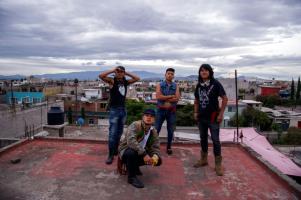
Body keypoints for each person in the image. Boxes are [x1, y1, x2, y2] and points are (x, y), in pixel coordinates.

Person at [99, 66, 140, 165]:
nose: (120, 73)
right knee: (112, 134)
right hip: (114, 110)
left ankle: (115, 149)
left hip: (123, 110)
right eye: (118, 71)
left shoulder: (125, 82)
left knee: (119, 132)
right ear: (115, 72)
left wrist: (126, 73)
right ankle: (110, 154)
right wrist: (113, 70)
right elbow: (101, 76)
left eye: (121, 71)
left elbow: (137, 78)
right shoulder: (112, 81)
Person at [193, 64, 228, 176]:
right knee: (203, 139)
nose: (203, 72)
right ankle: (204, 160)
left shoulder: (215, 84)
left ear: (210, 72)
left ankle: (218, 165)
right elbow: (196, 101)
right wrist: (195, 112)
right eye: (201, 70)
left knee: (215, 140)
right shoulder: (199, 85)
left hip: (213, 117)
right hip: (201, 118)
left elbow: (225, 98)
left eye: (206, 70)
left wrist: (221, 114)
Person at [118, 109, 162, 188]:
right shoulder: (135, 125)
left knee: (159, 161)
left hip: (140, 152)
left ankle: (134, 166)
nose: (149, 118)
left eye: (151, 116)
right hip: (126, 150)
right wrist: (144, 154)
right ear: (142, 117)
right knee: (131, 153)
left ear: (154, 119)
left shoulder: (153, 131)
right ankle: (131, 178)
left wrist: (155, 155)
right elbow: (131, 141)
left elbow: (155, 146)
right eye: (147, 115)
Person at [155, 68, 180, 155]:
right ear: (165, 75)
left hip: (171, 111)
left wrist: (164, 98)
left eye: (172, 74)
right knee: (156, 129)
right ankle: (153, 147)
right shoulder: (159, 85)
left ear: (173, 76)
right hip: (160, 110)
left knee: (170, 130)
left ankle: (169, 147)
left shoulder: (176, 86)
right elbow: (158, 97)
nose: (170, 75)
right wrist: (170, 96)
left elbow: (177, 98)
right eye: (168, 73)